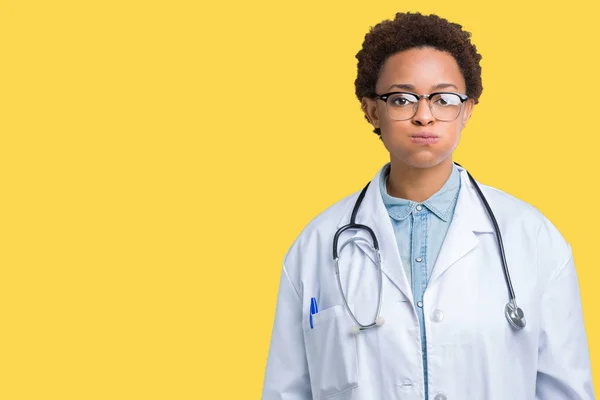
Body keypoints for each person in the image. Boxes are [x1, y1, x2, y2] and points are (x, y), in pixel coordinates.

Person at [261, 12, 594, 400]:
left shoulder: (533, 238)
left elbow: (566, 391)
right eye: (401, 99)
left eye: (444, 98)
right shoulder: (316, 244)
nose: (424, 115)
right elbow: (286, 392)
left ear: (467, 109)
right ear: (372, 110)